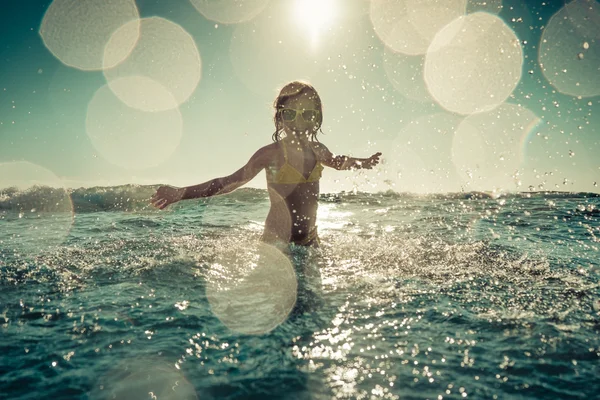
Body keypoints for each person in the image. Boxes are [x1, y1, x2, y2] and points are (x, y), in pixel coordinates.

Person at [151, 81, 381, 248]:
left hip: (310, 240)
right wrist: (181, 193)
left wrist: (362, 162)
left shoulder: (318, 150)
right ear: (279, 117)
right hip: (276, 244)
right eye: (291, 114)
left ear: (316, 118)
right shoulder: (270, 154)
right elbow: (230, 183)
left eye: (307, 114)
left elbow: (339, 162)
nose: (299, 121)